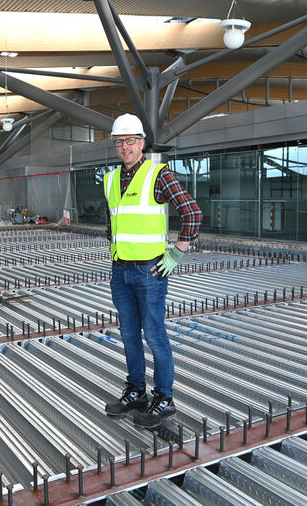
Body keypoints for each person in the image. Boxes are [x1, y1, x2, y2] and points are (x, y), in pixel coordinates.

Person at [103, 113, 202, 428]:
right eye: (120, 141)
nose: (125, 147)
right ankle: (136, 391)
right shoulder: (110, 179)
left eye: (130, 140)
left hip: (150, 272)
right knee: (129, 334)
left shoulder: (158, 175)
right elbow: (113, 224)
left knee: (155, 335)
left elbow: (192, 213)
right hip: (120, 271)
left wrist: (177, 253)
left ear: (142, 142)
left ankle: (164, 398)